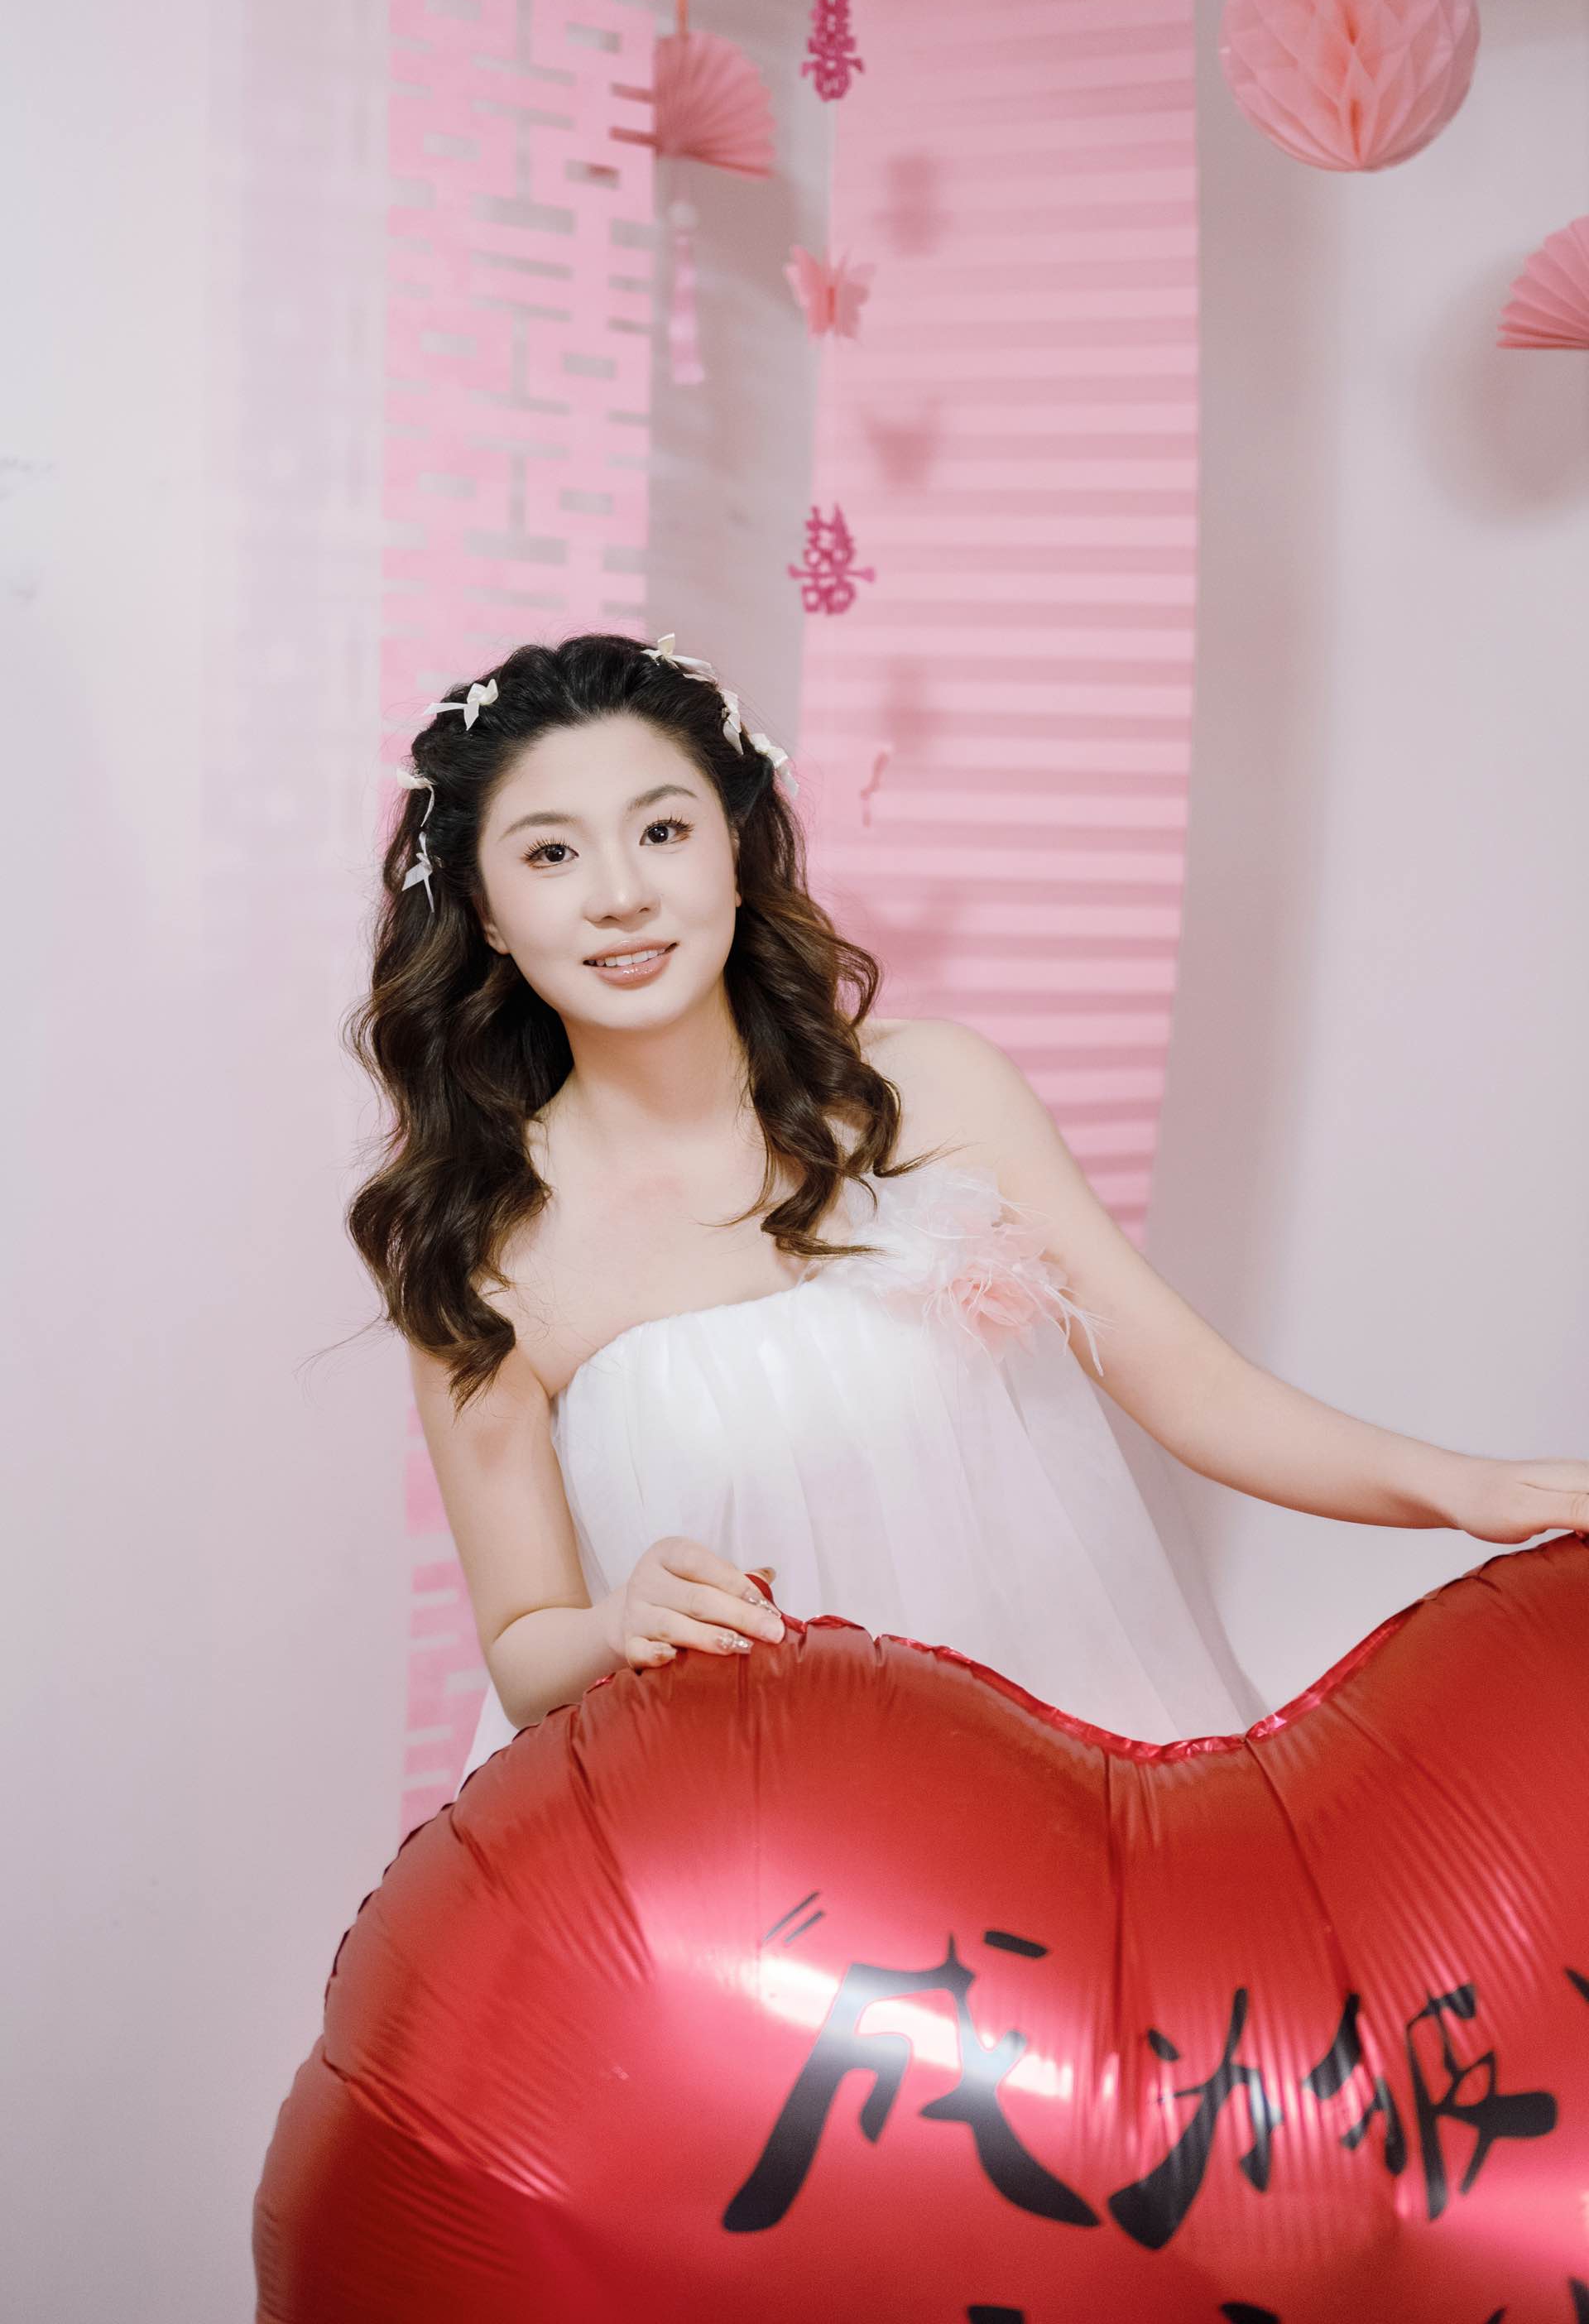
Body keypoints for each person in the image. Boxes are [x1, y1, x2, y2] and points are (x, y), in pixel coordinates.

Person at [343, 631, 1587, 1798]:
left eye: (662, 830)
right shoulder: (478, 1244)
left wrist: (1462, 1488)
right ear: (487, 911)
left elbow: (1194, 1390)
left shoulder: (930, 1091)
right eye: (551, 855)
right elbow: (525, 1642)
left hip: (1059, 1758)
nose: (620, 895)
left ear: (734, 848)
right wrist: (619, 1622)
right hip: (748, 1830)